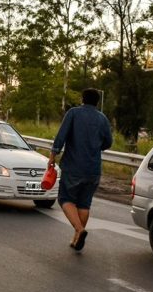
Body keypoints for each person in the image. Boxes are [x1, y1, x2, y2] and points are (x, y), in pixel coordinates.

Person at [48, 88, 112, 252]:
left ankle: (79, 230)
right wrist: (96, 146)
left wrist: (53, 154)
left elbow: (61, 136)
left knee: (65, 198)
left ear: (82, 99)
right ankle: (76, 239)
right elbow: (108, 143)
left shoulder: (74, 113)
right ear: (97, 101)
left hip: (73, 167)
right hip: (93, 169)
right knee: (84, 203)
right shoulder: (102, 118)